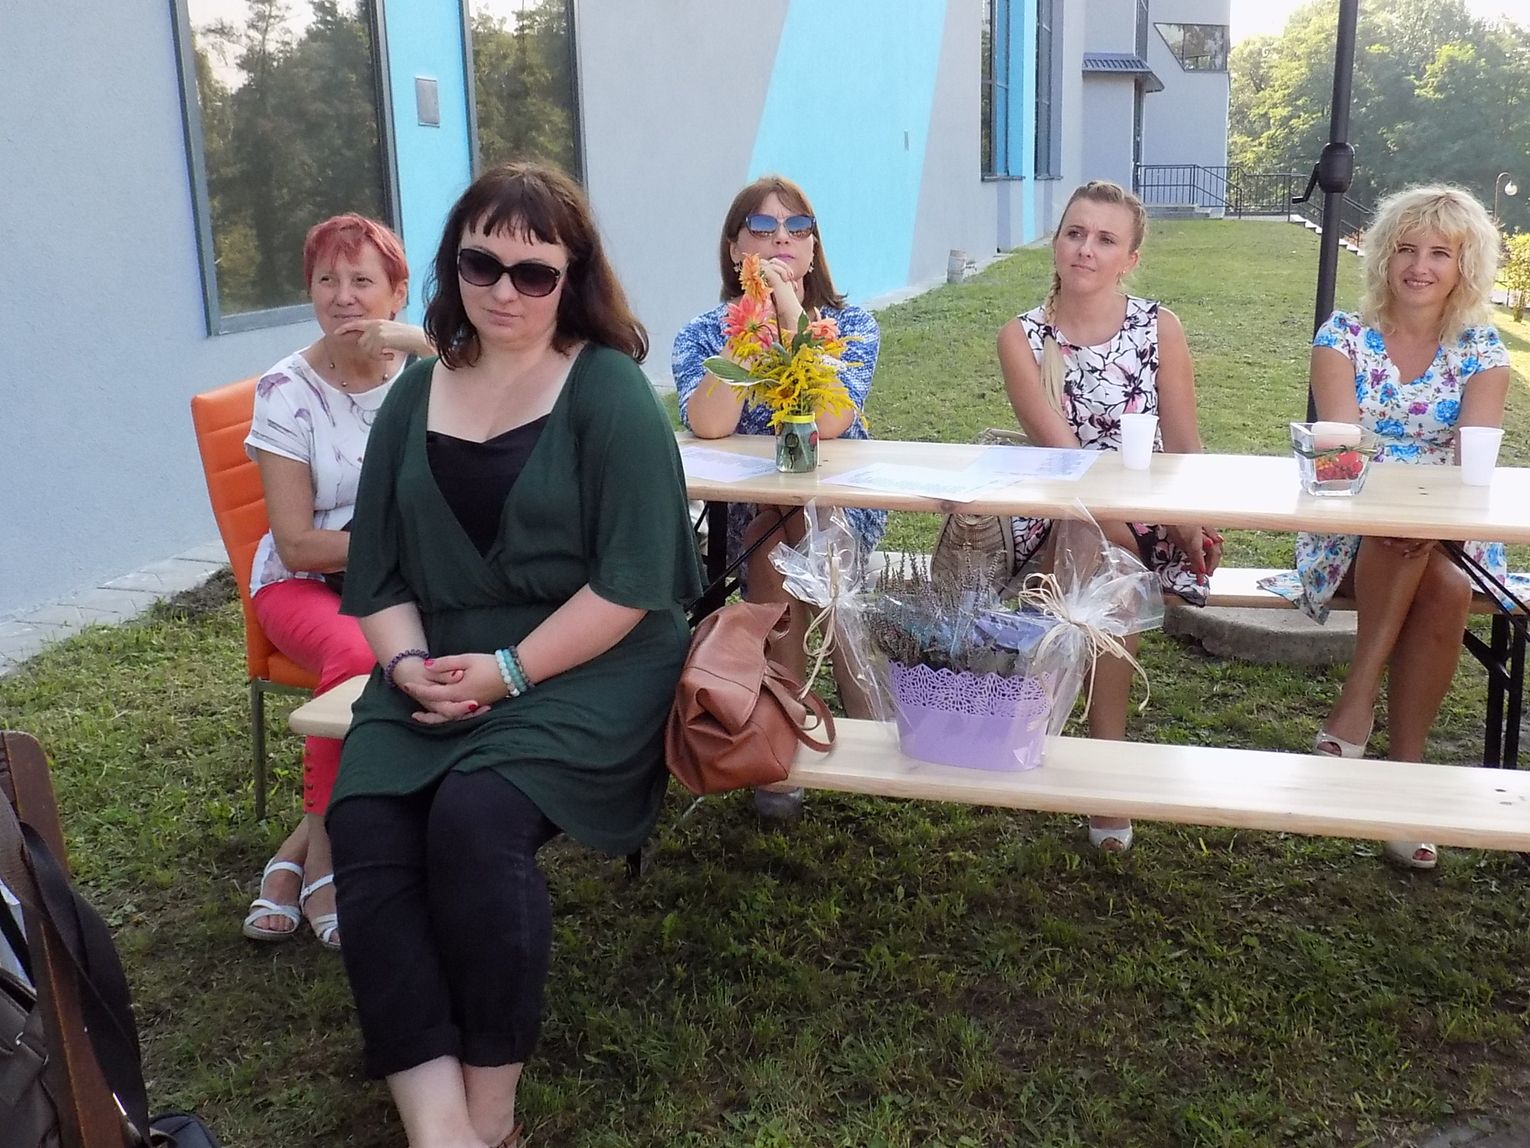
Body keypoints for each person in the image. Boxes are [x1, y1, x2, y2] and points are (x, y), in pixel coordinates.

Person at [327, 162, 700, 1148]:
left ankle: (491, 1111)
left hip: (589, 659)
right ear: (452, 268)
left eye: (534, 272)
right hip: (437, 663)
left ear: (572, 277)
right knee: (364, 822)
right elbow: (379, 575)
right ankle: (438, 1123)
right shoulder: (414, 395)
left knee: (475, 818)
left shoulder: (608, 391)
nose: (504, 290)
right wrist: (404, 668)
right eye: (480, 264)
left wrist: (513, 671)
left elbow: (632, 584)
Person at [1266, 184, 1510, 871]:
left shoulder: (1484, 351)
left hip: (1447, 528)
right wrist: (1398, 511)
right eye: (1406, 248)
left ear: (1464, 266)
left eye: (1440, 253)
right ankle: (1403, 784)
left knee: (1447, 584)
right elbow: (1342, 455)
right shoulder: (1342, 335)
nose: (1419, 266)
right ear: (1383, 256)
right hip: (1351, 519)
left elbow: (1472, 464)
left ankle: (1364, 714)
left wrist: (1425, 517)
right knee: (1407, 552)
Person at [997, 179, 1223, 854]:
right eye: (1075, 233)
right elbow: (1068, 464)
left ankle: (1085, 751)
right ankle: (1102, 766)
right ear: (1056, 242)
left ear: (1130, 258)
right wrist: (1128, 522)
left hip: (1152, 512)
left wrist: (1190, 521)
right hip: (1061, 511)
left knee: (1111, 553)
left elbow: (1184, 446)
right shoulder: (1023, 338)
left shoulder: (1159, 328)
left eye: (1105, 239)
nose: (1085, 250)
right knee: (1098, 547)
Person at [242, 213, 430, 950]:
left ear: (397, 293)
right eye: (327, 280)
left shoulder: (426, 374)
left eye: (362, 280)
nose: (344, 297)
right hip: (303, 583)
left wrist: (416, 343)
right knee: (361, 654)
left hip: (402, 585)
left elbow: (501, 363)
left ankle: (292, 852)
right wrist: (402, 550)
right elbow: (296, 541)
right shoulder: (285, 391)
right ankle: (326, 860)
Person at [672, 175, 885, 820]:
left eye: (797, 228)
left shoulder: (851, 325)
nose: (781, 240)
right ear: (736, 249)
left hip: (839, 507)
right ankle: (819, 706)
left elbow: (830, 419)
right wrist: (752, 325)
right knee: (770, 530)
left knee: (800, 524)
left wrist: (791, 312)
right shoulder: (703, 333)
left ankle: (797, 720)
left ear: (814, 249)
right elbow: (709, 423)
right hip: (749, 514)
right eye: (762, 229)